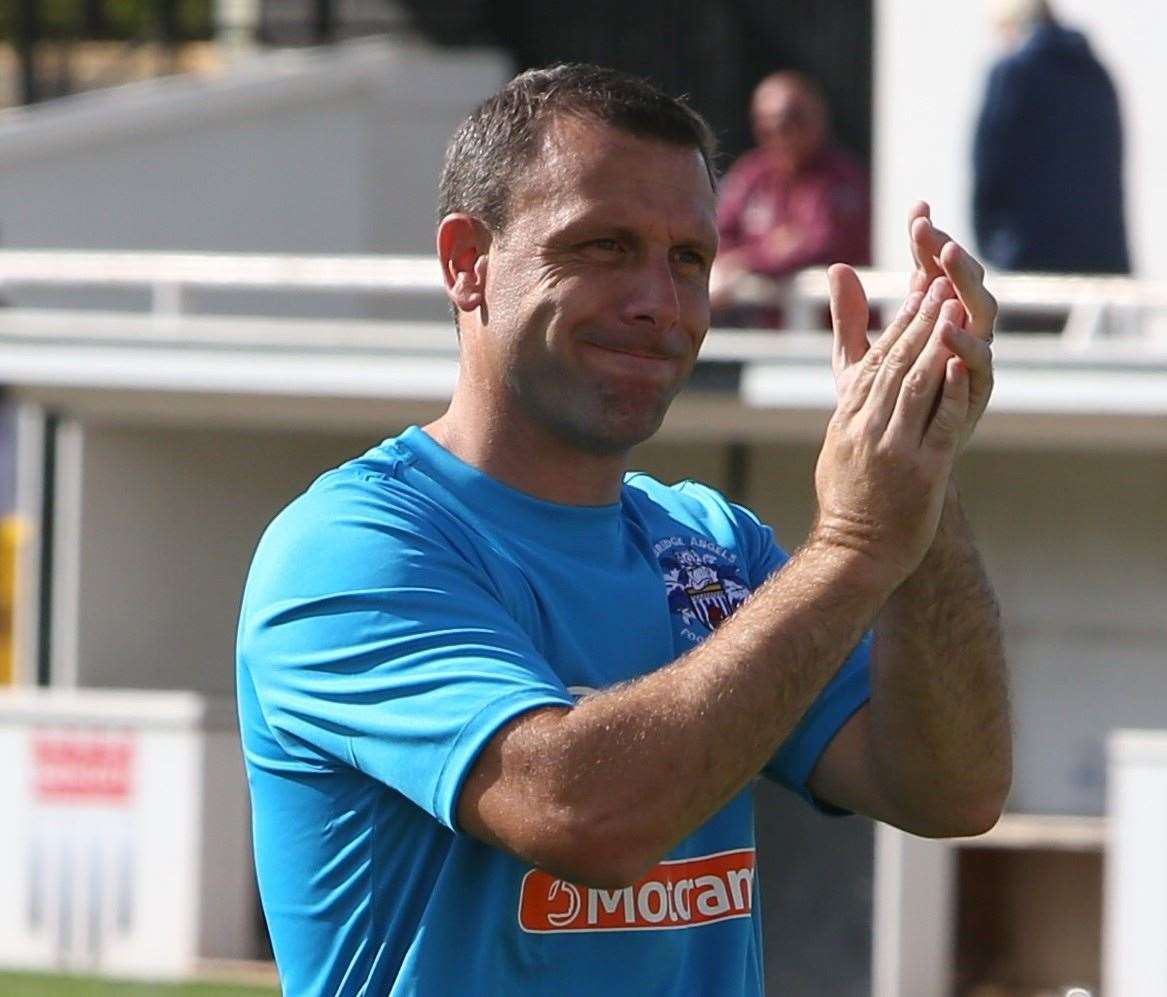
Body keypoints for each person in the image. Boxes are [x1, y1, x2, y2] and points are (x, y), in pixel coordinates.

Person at [236, 65, 1012, 996]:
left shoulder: (713, 544)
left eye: (688, 258)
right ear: (465, 262)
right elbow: (583, 815)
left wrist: (922, 466)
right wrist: (854, 545)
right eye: (603, 245)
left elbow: (947, 788)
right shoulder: (352, 546)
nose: (660, 301)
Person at [973, 0, 1129, 274]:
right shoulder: (1096, 74)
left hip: (1031, 264)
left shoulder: (1013, 75)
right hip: (1102, 265)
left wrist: (998, 247)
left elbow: (989, 168)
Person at [710, 71, 870, 323]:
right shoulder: (753, 174)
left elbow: (819, 245)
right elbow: (714, 233)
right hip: (772, 338)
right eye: (766, 122)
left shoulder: (841, 178)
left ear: (818, 118)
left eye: (791, 119)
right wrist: (770, 248)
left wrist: (747, 261)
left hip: (836, 337)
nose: (779, 131)